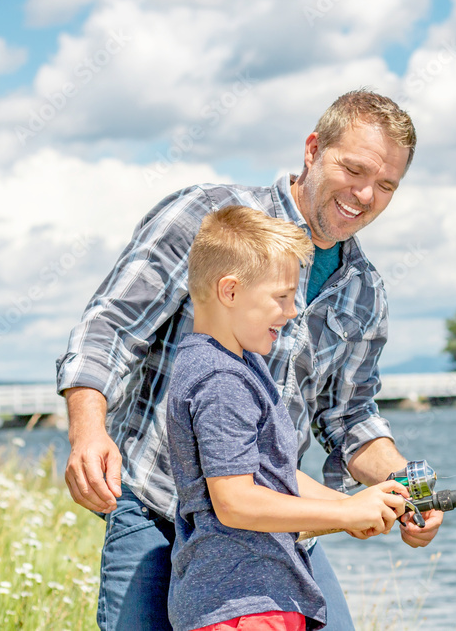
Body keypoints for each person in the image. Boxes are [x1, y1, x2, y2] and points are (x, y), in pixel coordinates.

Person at [56, 89, 443, 630]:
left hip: (274, 528)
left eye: (385, 185)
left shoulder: (365, 291)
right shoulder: (206, 217)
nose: (364, 195)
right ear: (313, 149)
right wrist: (88, 432)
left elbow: (350, 418)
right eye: (353, 169)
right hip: (157, 509)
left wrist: (406, 488)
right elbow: (112, 329)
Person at [167, 205, 408, 631]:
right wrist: (346, 516)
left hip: (263, 598)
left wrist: (356, 505)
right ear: (230, 291)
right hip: (240, 603)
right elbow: (235, 502)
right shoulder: (220, 378)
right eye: (281, 297)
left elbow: (277, 475)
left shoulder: (244, 364)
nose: (293, 311)